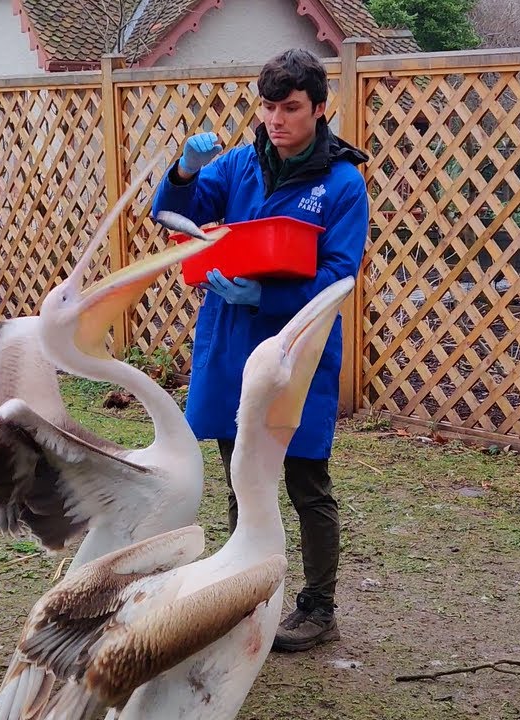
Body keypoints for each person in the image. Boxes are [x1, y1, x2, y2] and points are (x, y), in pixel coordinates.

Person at [149, 47, 370, 652]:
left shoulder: (342, 184)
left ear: (319, 109)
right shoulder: (240, 165)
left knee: (304, 480)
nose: (277, 119)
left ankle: (318, 607)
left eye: (291, 108)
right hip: (230, 341)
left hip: (296, 350)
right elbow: (176, 217)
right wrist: (187, 174)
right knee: (240, 474)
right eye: (269, 107)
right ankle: (245, 590)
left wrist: (266, 295)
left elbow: (341, 276)